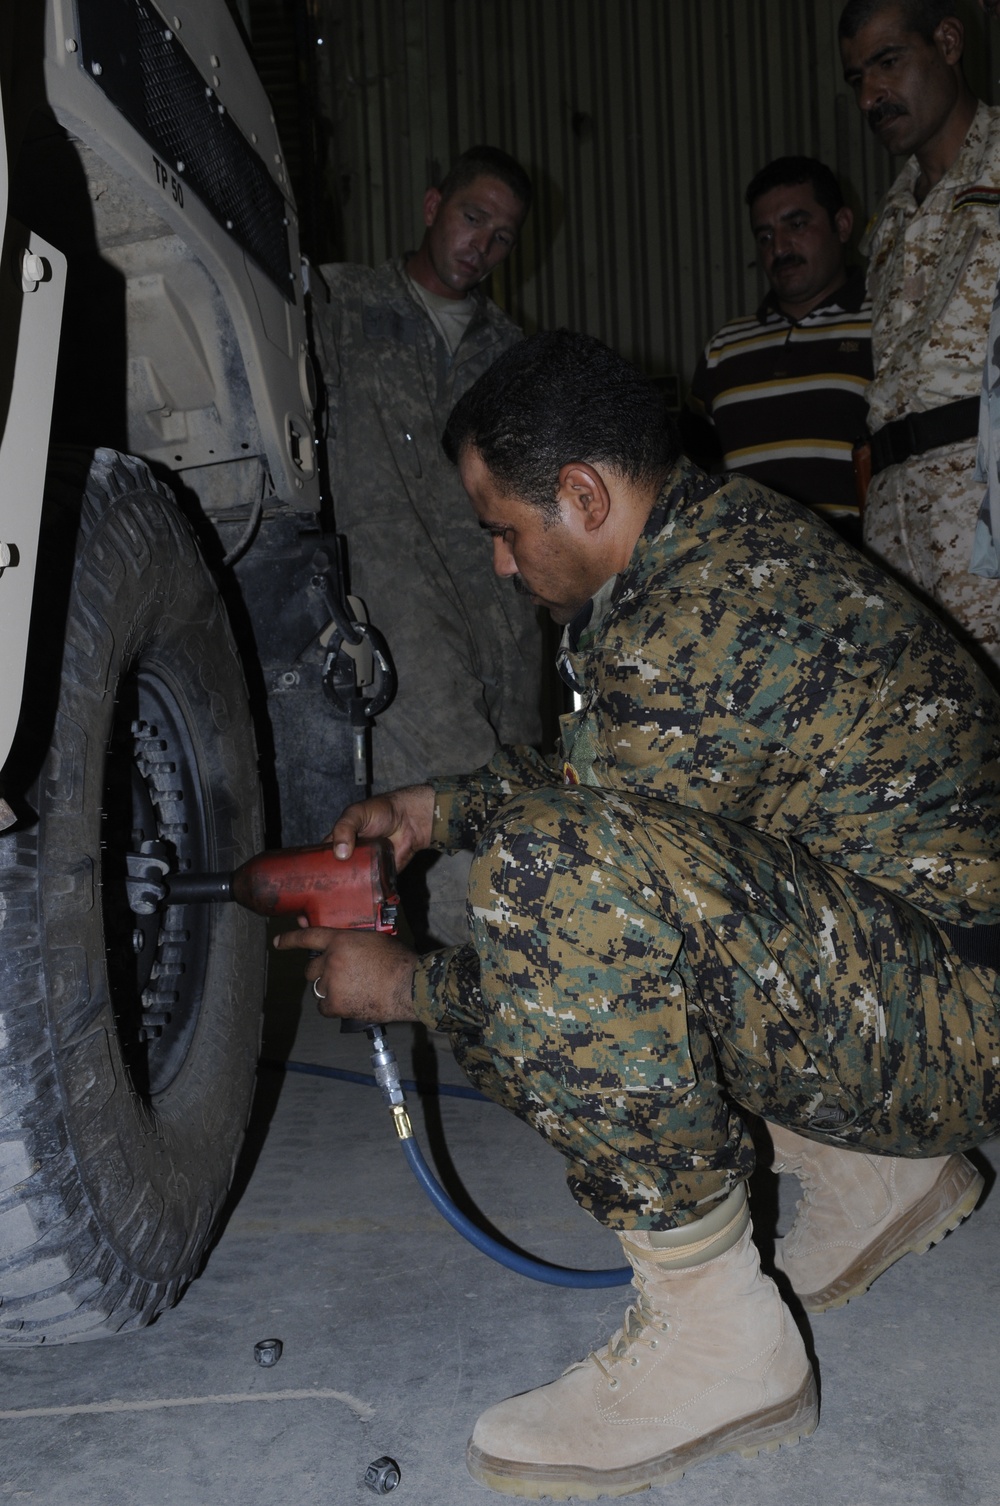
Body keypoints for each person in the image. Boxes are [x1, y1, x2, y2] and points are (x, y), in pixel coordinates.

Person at [277, 331, 1000, 1497]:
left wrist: (401, 986)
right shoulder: (708, 542)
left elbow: (584, 892)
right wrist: (435, 810)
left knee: (546, 886)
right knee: (561, 859)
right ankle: (878, 1172)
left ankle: (719, 1346)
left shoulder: (692, 623)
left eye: (503, 531)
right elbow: (610, 785)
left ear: (582, 495)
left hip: (952, 1022)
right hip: (925, 971)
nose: (501, 566)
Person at [311, 146, 544, 946]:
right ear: (432, 206)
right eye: (473, 218)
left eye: (503, 236)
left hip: (502, 624)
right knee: (459, 802)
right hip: (394, 607)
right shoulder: (336, 303)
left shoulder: (512, 352)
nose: (483, 245)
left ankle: (475, 976)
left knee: (510, 795)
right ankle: (479, 974)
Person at [840, 0, 1000, 675]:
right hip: (899, 533)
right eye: (857, 79)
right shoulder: (890, 219)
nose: (870, 96)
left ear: (949, 42)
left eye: (888, 63)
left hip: (984, 524)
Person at [685, 156, 872, 545]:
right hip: (746, 570)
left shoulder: (885, 325)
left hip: (858, 568)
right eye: (765, 236)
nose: (780, 247)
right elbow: (690, 473)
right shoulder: (724, 348)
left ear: (842, 225)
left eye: (797, 225)